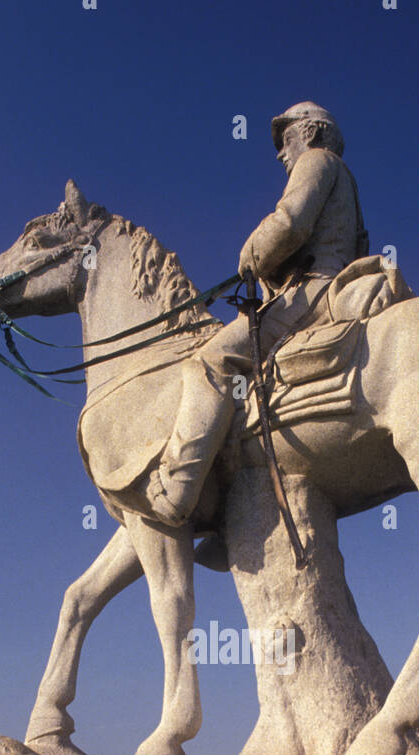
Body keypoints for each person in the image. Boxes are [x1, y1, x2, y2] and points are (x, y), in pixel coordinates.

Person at [145, 102, 368, 526]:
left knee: (212, 359)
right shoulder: (348, 182)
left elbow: (291, 223)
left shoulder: (317, 161)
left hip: (310, 292)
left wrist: (251, 254)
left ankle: (179, 488)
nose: (280, 153)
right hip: (322, 284)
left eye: (286, 139)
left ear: (314, 132)